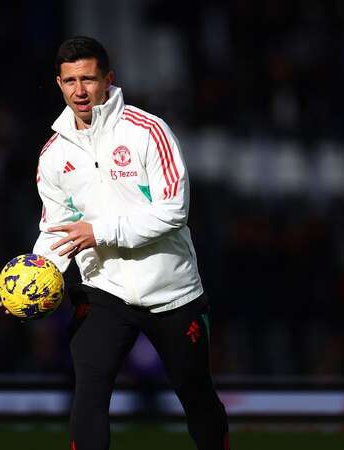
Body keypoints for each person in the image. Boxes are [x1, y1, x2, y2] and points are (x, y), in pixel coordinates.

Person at [32, 36, 228, 450]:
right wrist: (32, 278)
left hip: (172, 291)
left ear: (109, 80)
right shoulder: (52, 155)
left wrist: (99, 231)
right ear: (59, 84)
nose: (79, 91)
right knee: (89, 393)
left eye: (88, 79)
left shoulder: (149, 131)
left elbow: (174, 209)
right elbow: (55, 229)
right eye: (70, 81)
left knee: (197, 397)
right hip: (103, 290)